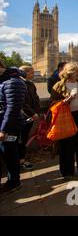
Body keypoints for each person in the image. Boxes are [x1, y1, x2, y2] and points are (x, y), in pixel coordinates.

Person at [50, 62, 78, 180]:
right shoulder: (59, 85)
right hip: (67, 117)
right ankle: (67, 172)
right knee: (66, 145)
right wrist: (68, 99)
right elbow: (53, 104)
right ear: (71, 72)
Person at [0, 59, 26, 194]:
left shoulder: (13, 82)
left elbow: (12, 108)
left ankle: (14, 181)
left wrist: (3, 129)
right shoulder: (4, 80)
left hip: (9, 125)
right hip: (4, 123)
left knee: (9, 153)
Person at [19, 66, 41, 170]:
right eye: (32, 73)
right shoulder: (19, 84)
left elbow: (36, 99)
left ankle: (22, 159)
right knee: (20, 139)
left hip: (32, 116)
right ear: (25, 73)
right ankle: (20, 161)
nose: (33, 74)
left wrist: (37, 112)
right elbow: (22, 103)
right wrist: (32, 113)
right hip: (22, 117)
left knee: (24, 138)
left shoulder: (31, 84)